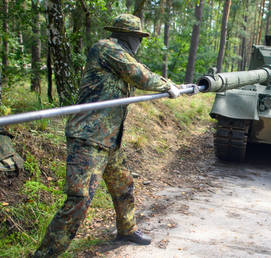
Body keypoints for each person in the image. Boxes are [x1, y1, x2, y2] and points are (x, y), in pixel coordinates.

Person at [34, 14, 184, 257]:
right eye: (138, 38)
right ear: (128, 36)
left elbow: (139, 71)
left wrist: (168, 83)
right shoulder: (107, 49)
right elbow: (139, 75)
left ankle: (127, 229)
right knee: (79, 200)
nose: (139, 43)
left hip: (109, 139)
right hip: (88, 138)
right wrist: (167, 85)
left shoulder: (122, 56)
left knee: (123, 184)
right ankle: (44, 254)